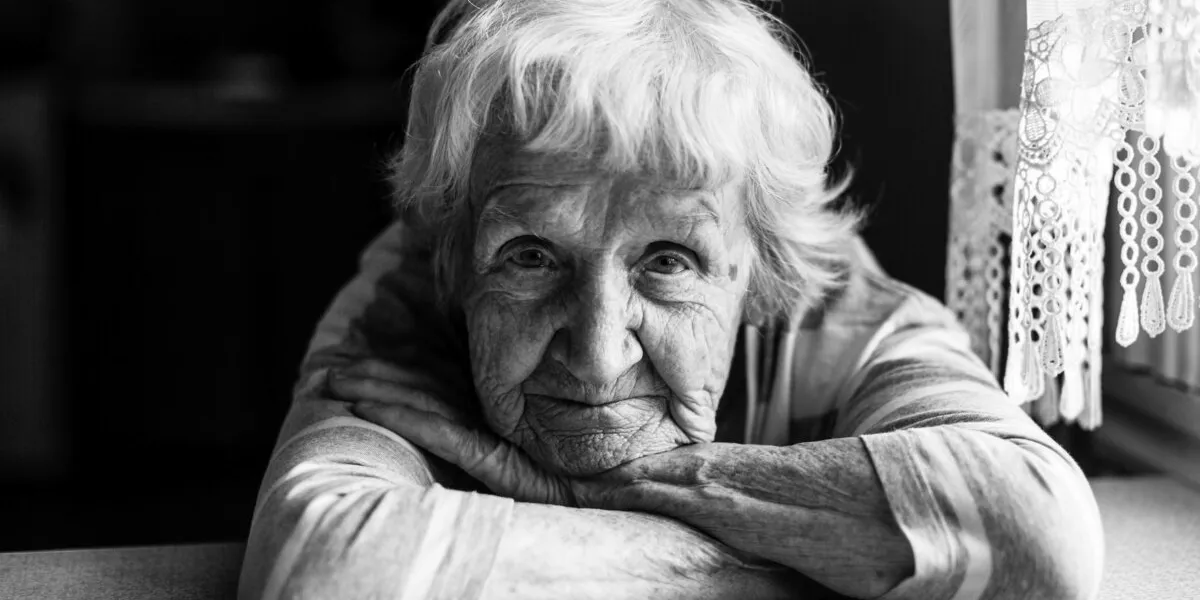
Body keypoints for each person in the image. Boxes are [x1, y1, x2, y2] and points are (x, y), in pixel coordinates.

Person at [238, 0, 1105, 598]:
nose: (598, 350)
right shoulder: (402, 303)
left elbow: (1035, 534)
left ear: (760, 271)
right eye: (532, 256)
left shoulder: (846, 310)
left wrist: (599, 489)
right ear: (456, 260)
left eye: (669, 261)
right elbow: (324, 576)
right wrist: (847, 561)